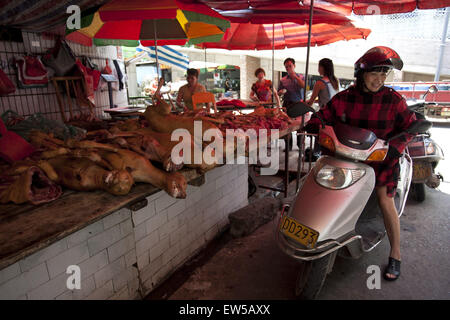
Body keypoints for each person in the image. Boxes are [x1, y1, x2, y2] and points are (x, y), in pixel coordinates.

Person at [305, 46, 418, 281]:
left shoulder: (393, 100)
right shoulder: (344, 98)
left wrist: (395, 148)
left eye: (384, 74)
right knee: (318, 181)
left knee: (385, 200)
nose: (379, 80)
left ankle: (396, 253)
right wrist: (314, 123)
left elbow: (411, 126)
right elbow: (323, 115)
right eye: (374, 73)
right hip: (347, 158)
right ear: (361, 74)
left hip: (381, 160)